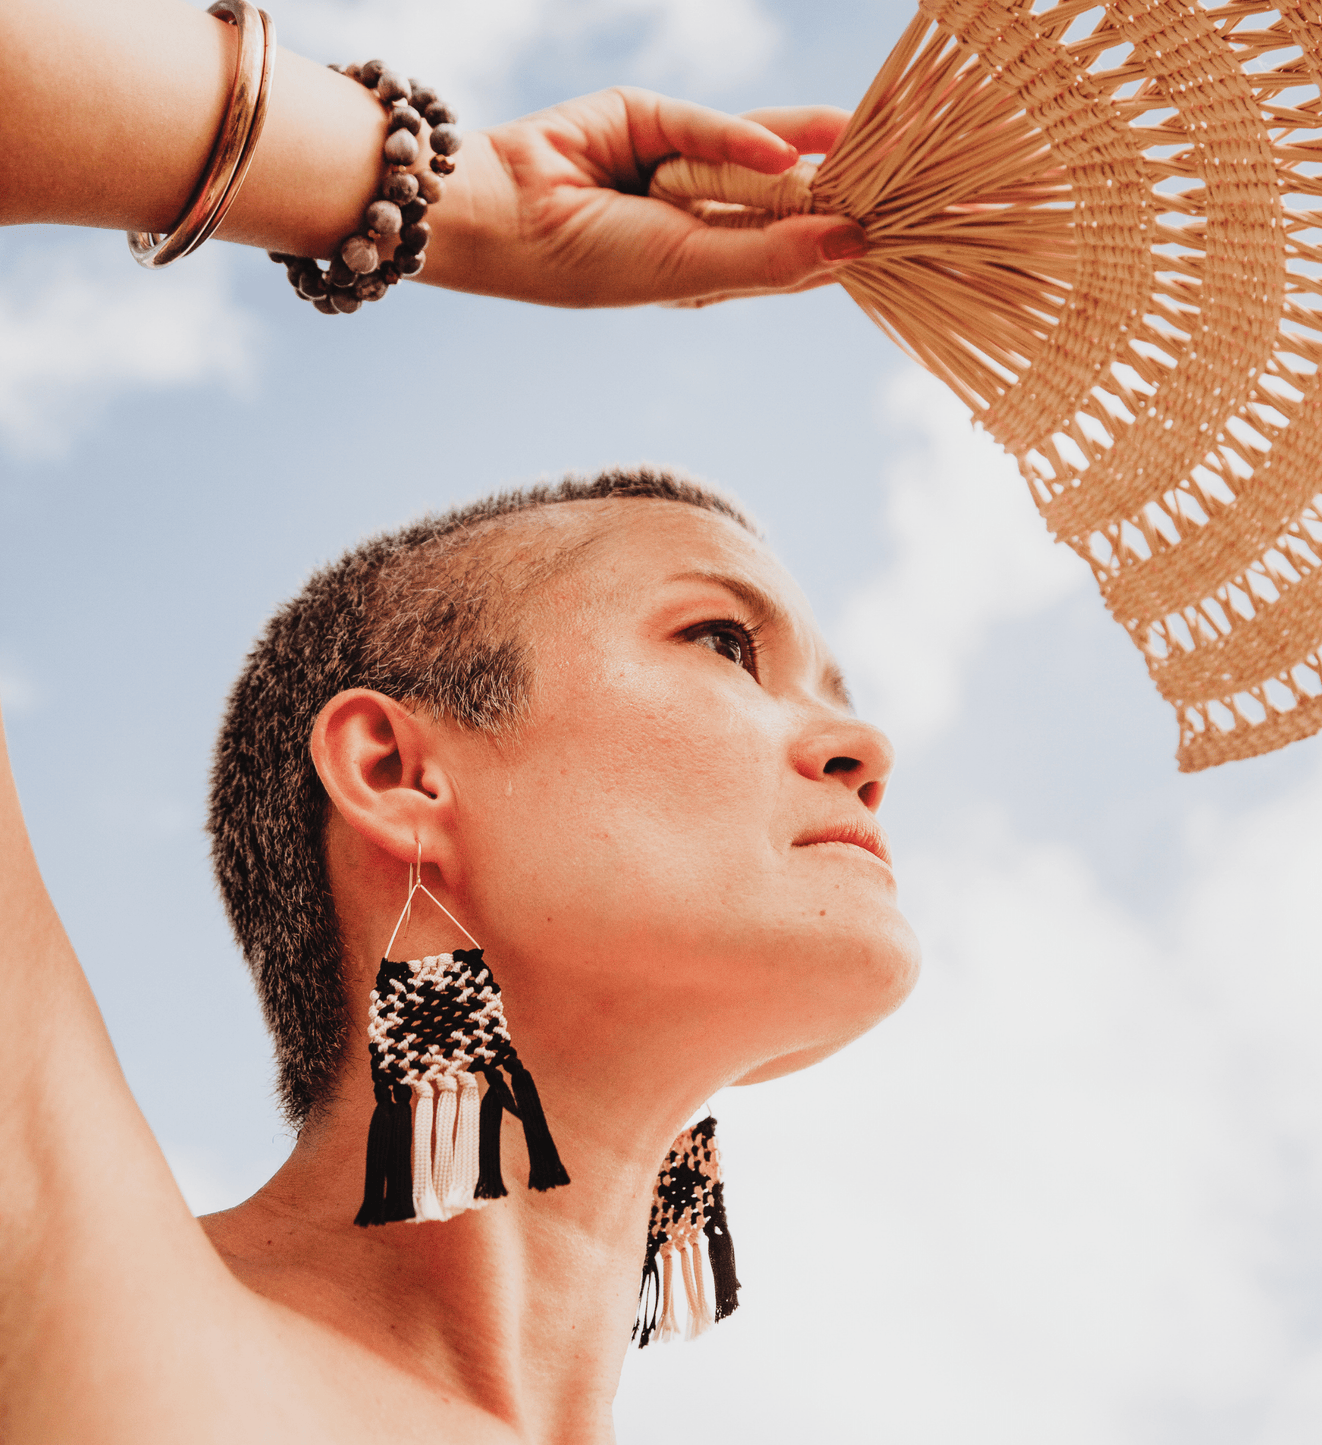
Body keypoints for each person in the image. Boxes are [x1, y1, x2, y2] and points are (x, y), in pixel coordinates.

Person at [1, 3, 916, 1441]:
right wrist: (444, 199)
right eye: (726, 642)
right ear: (396, 769)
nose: (867, 754)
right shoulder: (77, 1296)